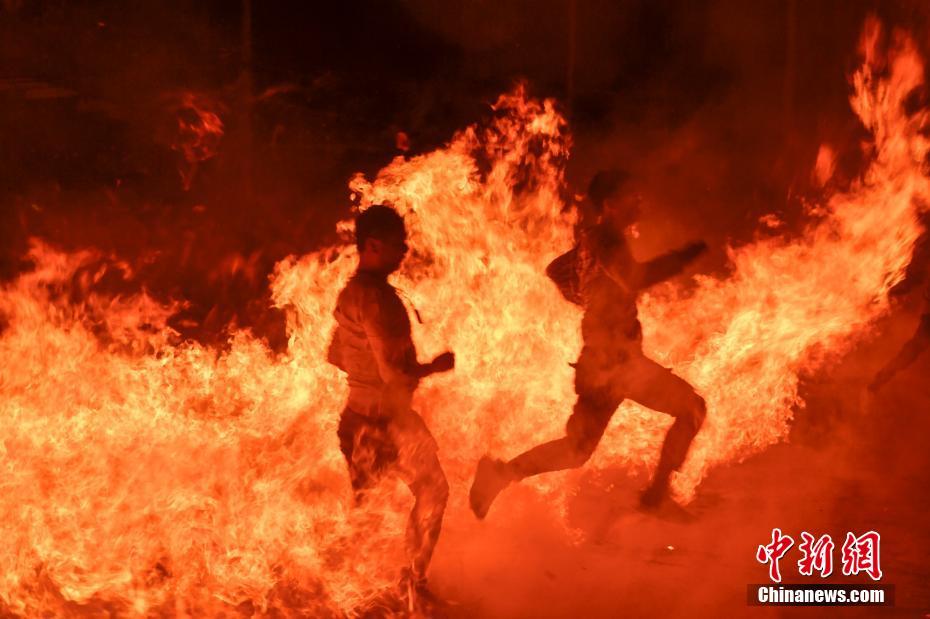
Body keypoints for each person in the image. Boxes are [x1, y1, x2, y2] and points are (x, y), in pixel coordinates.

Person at [469, 170, 708, 518]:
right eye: (631, 195)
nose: (638, 201)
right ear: (610, 205)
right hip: (616, 362)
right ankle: (656, 497)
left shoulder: (594, 240)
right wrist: (682, 258)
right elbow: (634, 278)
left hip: (605, 360)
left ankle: (501, 473)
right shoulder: (606, 240)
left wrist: (592, 300)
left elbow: (556, 271)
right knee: (691, 408)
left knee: (577, 450)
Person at [327, 204, 455, 606]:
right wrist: (434, 367)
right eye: (399, 243)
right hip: (386, 425)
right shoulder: (379, 300)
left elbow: (335, 355)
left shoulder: (350, 293)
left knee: (365, 517)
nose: (406, 250)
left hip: (355, 422)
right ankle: (412, 582)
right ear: (373, 245)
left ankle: (356, 599)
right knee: (433, 490)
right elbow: (395, 376)